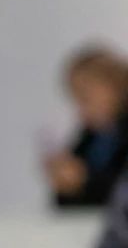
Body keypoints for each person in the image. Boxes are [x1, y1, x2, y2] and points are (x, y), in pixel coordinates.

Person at [44, 47, 128, 211]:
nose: (81, 108)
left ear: (112, 86)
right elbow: (65, 203)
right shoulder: (89, 136)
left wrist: (84, 181)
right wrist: (66, 181)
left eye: (86, 97)